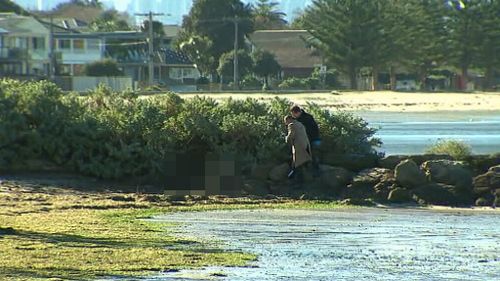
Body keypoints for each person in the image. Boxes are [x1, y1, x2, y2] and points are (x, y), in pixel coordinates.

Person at [290, 105, 321, 175]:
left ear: (297, 112)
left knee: (311, 154)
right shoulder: (306, 117)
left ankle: (316, 170)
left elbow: (310, 131)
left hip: (313, 139)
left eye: (293, 114)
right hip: (311, 139)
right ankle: (309, 169)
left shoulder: (305, 119)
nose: (293, 116)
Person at [284, 115, 312, 184]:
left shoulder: (291, 125)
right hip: (306, 146)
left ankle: (297, 182)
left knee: (297, 165)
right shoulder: (300, 123)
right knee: (300, 164)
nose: (285, 123)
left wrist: (286, 138)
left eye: (286, 121)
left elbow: (291, 135)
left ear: (289, 119)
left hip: (299, 147)